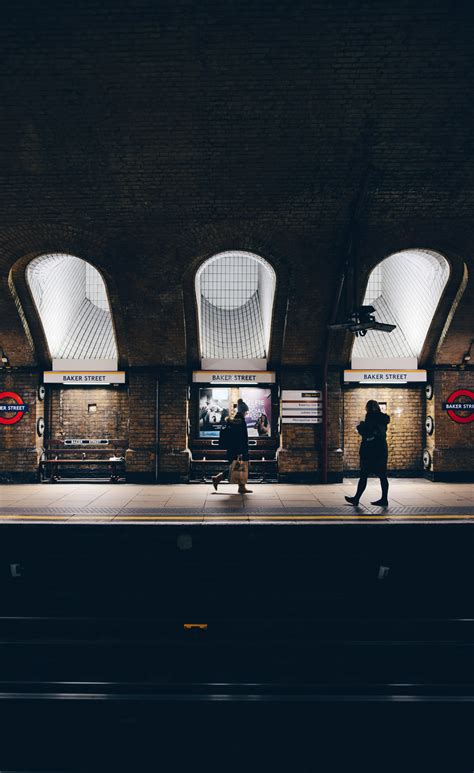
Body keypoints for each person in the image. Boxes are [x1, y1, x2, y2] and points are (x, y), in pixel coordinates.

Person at [345, 399, 390, 507]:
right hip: (382, 450)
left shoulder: (371, 416)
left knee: (364, 475)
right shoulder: (383, 418)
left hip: (371, 451)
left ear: (368, 408)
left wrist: (361, 426)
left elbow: (367, 431)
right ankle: (384, 499)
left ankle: (356, 499)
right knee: (383, 476)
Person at [212, 398, 253, 494]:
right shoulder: (240, 422)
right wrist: (243, 451)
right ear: (243, 411)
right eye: (246, 412)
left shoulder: (235, 421)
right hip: (239, 450)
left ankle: (240, 486)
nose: (246, 413)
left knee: (236, 467)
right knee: (239, 467)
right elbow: (242, 438)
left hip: (232, 449)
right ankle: (218, 478)